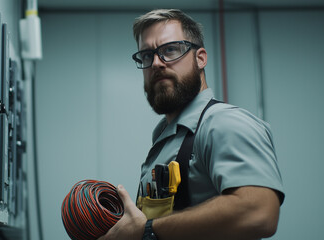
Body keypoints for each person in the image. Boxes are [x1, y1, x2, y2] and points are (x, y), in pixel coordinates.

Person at [99, 9, 284, 240]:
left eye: (170, 50)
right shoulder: (164, 138)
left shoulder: (223, 123)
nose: (156, 63)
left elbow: (259, 213)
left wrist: (147, 229)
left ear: (200, 58)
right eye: (147, 55)